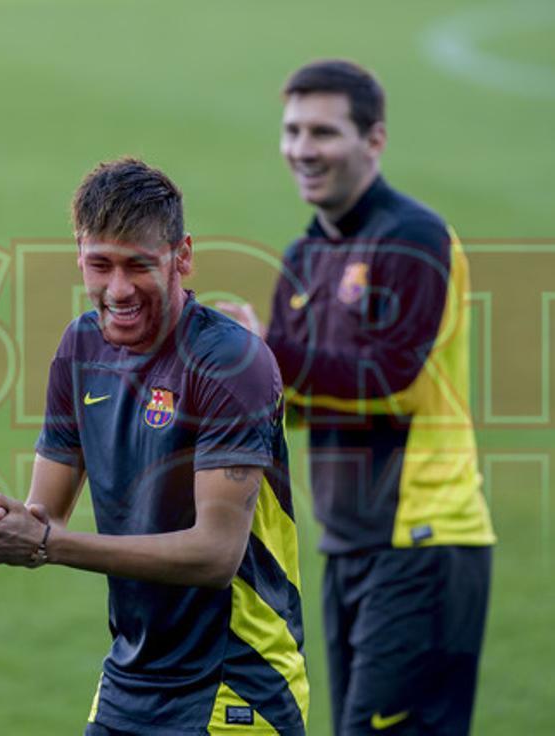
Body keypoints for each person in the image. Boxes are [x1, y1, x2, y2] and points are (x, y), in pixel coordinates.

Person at [0, 158, 309, 736]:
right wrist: (16, 529)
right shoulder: (80, 348)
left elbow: (216, 555)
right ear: (79, 257)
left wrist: (48, 543)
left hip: (234, 683)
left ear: (182, 256)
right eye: (100, 265)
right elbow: (48, 516)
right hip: (129, 680)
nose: (117, 289)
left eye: (138, 266)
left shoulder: (230, 363)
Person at [219, 60, 495, 735]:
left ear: (374, 140)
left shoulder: (413, 238)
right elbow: (303, 399)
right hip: (348, 544)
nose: (302, 149)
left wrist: (268, 351)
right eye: (291, 131)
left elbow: (389, 375)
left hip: (423, 539)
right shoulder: (305, 256)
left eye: (324, 132)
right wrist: (229, 366)